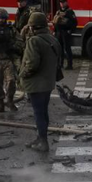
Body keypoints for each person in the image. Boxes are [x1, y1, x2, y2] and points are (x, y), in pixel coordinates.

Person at [18, 11, 61, 153]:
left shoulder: (34, 41)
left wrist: (22, 75)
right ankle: (40, 138)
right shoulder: (52, 39)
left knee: (38, 113)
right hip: (48, 83)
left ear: (32, 27)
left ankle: (43, 142)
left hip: (36, 84)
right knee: (43, 112)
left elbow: (32, 64)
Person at [52, 0, 77, 70]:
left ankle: (69, 65)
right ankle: (60, 64)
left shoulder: (70, 12)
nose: (62, 4)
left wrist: (70, 30)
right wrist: (55, 31)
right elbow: (55, 22)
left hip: (65, 32)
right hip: (59, 32)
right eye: (61, 3)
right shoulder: (58, 12)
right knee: (59, 49)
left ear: (66, 3)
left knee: (67, 48)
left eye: (63, 2)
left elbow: (74, 22)